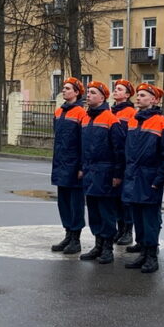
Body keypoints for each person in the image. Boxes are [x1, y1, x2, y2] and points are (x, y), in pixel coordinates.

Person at [122, 83, 164, 273]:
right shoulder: (133, 120)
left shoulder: (161, 122)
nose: (138, 98)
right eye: (138, 95)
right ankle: (142, 251)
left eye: (143, 95)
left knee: (150, 219)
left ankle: (151, 255)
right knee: (138, 217)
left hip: (150, 177)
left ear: (154, 100)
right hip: (134, 176)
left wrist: (159, 179)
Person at [78, 81, 126, 264]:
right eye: (88, 92)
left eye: (92, 92)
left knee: (106, 211)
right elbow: (83, 147)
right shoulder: (86, 119)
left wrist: (117, 174)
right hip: (90, 172)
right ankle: (98, 244)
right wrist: (82, 167)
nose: (88, 95)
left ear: (102, 97)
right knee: (94, 211)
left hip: (105, 172)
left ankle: (107, 247)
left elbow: (119, 149)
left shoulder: (110, 119)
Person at [50, 77, 87, 254]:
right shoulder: (59, 112)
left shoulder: (81, 113)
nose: (64, 90)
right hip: (61, 163)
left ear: (76, 92)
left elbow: (83, 142)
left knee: (75, 203)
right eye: (63, 88)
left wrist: (81, 166)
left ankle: (76, 238)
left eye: (67, 88)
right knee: (63, 202)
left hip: (74, 164)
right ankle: (68, 233)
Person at [110, 79, 137, 246]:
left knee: (126, 198)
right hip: (112, 159)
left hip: (125, 159)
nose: (116, 91)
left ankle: (128, 230)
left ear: (127, 95)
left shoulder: (130, 112)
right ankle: (120, 229)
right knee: (115, 198)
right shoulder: (111, 111)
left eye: (120, 89)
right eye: (115, 88)